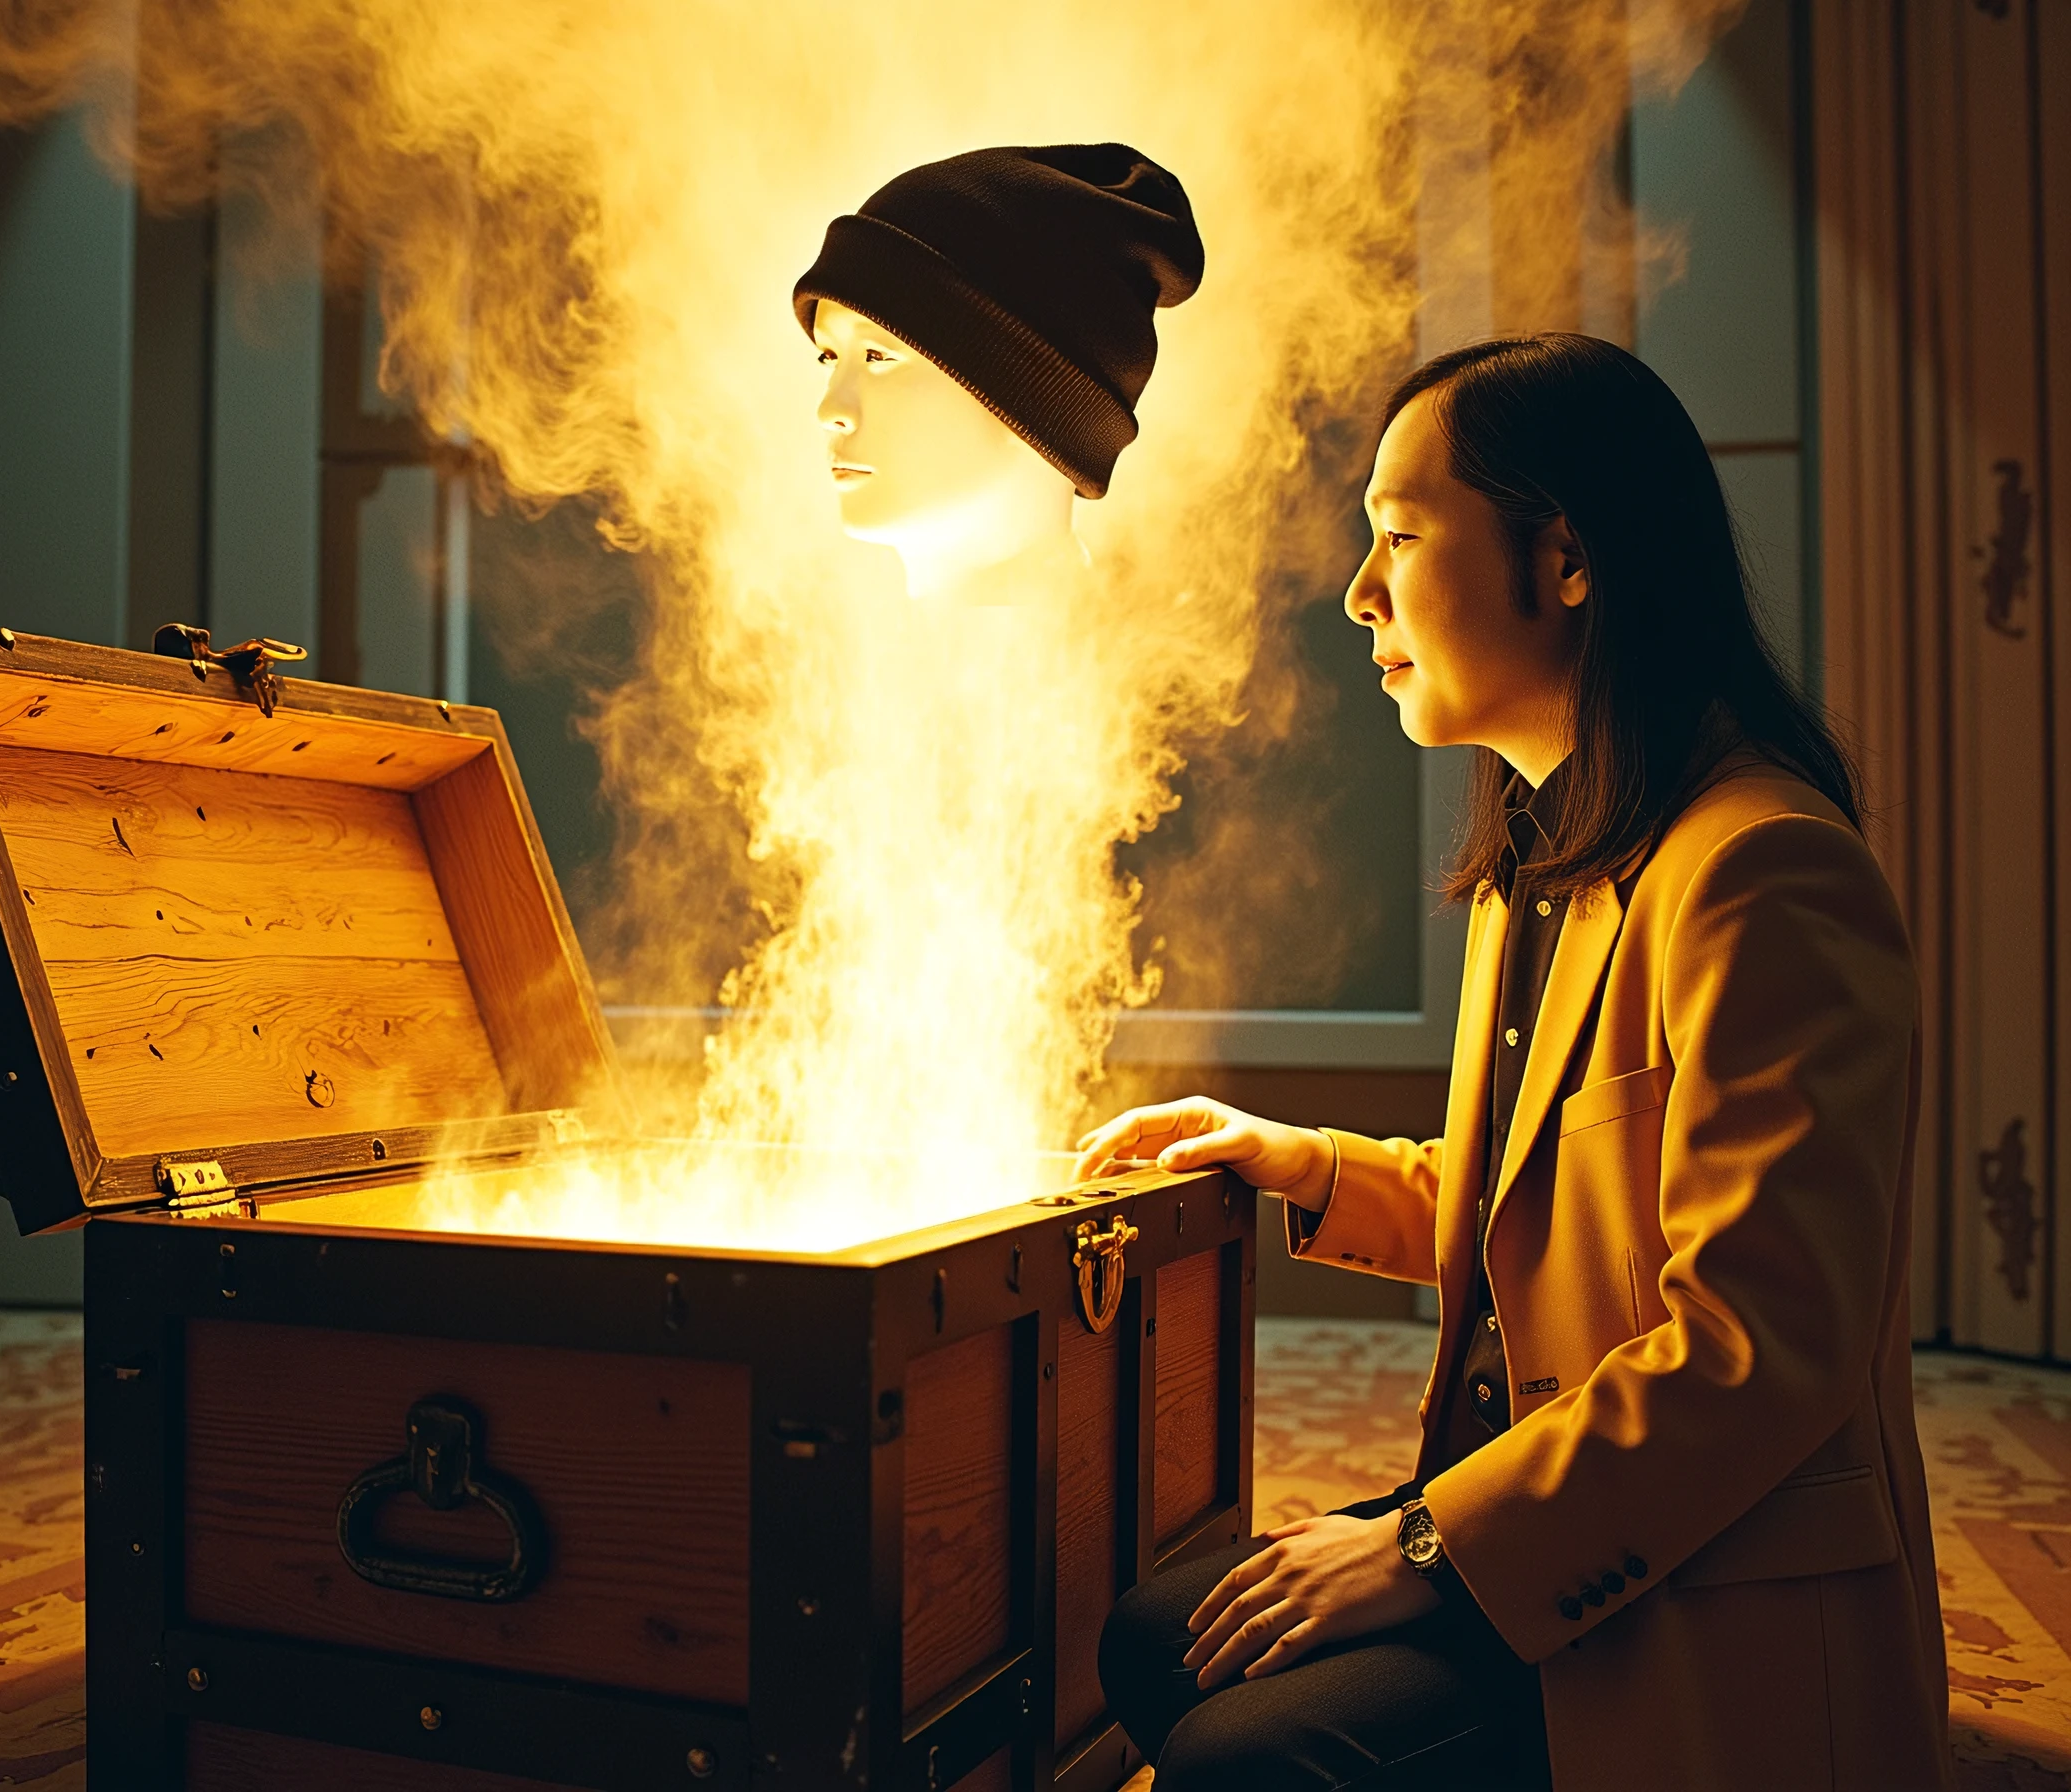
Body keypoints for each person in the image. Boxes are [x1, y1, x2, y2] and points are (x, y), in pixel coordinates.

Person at [1080, 334, 1950, 1792]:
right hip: (1556, 1509)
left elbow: (1754, 1353)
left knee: (1244, 1751)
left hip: (1702, 1572)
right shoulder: (1539, 866)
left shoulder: (1767, 872)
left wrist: (1422, 1543)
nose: (1360, 593)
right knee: (1158, 1642)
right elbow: (1557, 1219)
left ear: (1566, 560)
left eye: (1401, 537)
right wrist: (1299, 1160)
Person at [792, 142, 1203, 597]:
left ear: (1036, 400)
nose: (830, 409)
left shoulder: (1160, 662)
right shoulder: (835, 658)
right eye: (829, 358)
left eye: (878, 356)